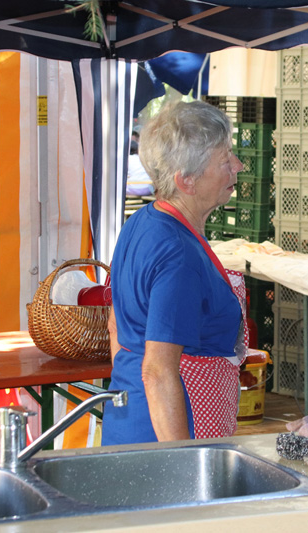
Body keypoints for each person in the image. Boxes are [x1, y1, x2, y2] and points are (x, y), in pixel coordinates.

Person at [102, 100, 246, 446]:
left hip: (130, 419)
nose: (238, 166)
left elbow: (115, 326)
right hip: (169, 433)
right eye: (225, 159)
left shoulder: (142, 222)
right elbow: (158, 371)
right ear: (187, 180)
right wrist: (181, 459)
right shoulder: (179, 254)